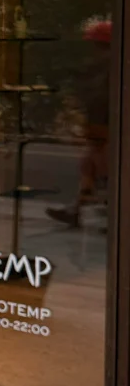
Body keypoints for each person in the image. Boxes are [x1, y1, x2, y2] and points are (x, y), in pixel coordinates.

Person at [47, 15, 110, 228]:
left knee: (103, 169)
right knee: (90, 168)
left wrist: (95, 130)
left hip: (105, 129)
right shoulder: (103, 68)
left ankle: (105, 212)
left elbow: (100, 100)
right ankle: (76, 209)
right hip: (102, 128)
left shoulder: (107, 68)